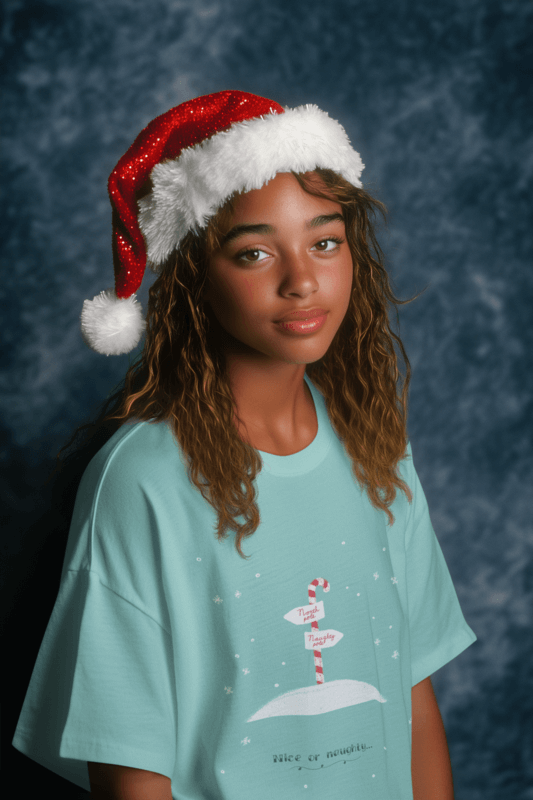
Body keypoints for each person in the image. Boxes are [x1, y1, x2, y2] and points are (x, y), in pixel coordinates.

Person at [12, 90, 477, 800]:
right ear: (196, 281)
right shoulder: (141, 481)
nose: (301, 280)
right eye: (254, 252)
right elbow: (130, 768)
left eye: (324, 241)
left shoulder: (375, 446)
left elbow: (411, 700)